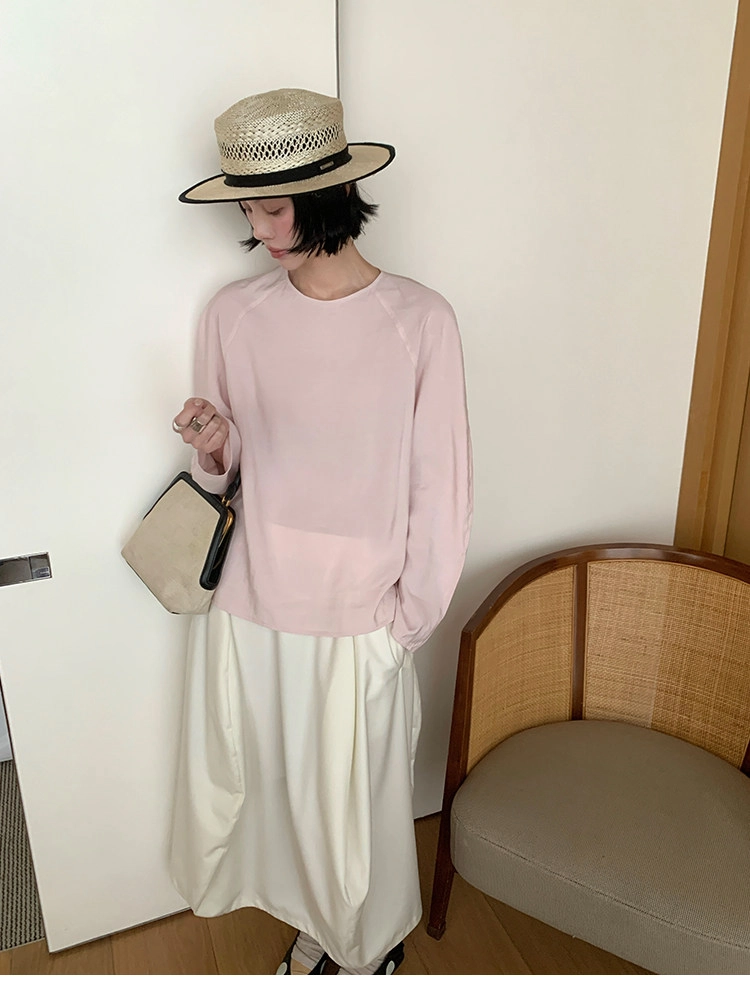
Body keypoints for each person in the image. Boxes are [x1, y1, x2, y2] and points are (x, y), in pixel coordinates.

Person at [168, 88, 472, 975]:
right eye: (247, 211)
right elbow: (227, 472)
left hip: (362, 611)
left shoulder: (421, 321)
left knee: (353, 803)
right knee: (270, 786)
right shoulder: (233, 314)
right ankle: (318, 926)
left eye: (272, 208)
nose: (258, 230)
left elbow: (442, 487)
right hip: (251, 599)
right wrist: (214, 444)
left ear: (330, 193)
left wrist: (407, 623)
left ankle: (365, 946)